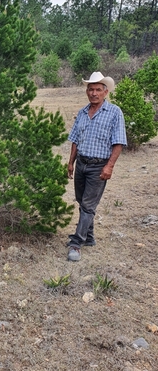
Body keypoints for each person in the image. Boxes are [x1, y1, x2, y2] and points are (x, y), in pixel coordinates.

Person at [67, 71, 127, 262]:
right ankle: (89, 237)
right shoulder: (83, 112)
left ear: (105, 92)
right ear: (87, 91)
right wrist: (71, 162)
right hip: (82, 163)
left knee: (88, 205)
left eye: (98, 90)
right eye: (90, 89)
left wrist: (109, 166)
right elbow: (76, 139)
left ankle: (76, 243)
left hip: (98, 166)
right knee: (81, 200)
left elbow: (118, 142)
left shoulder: (114, 112)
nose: (94, 93)